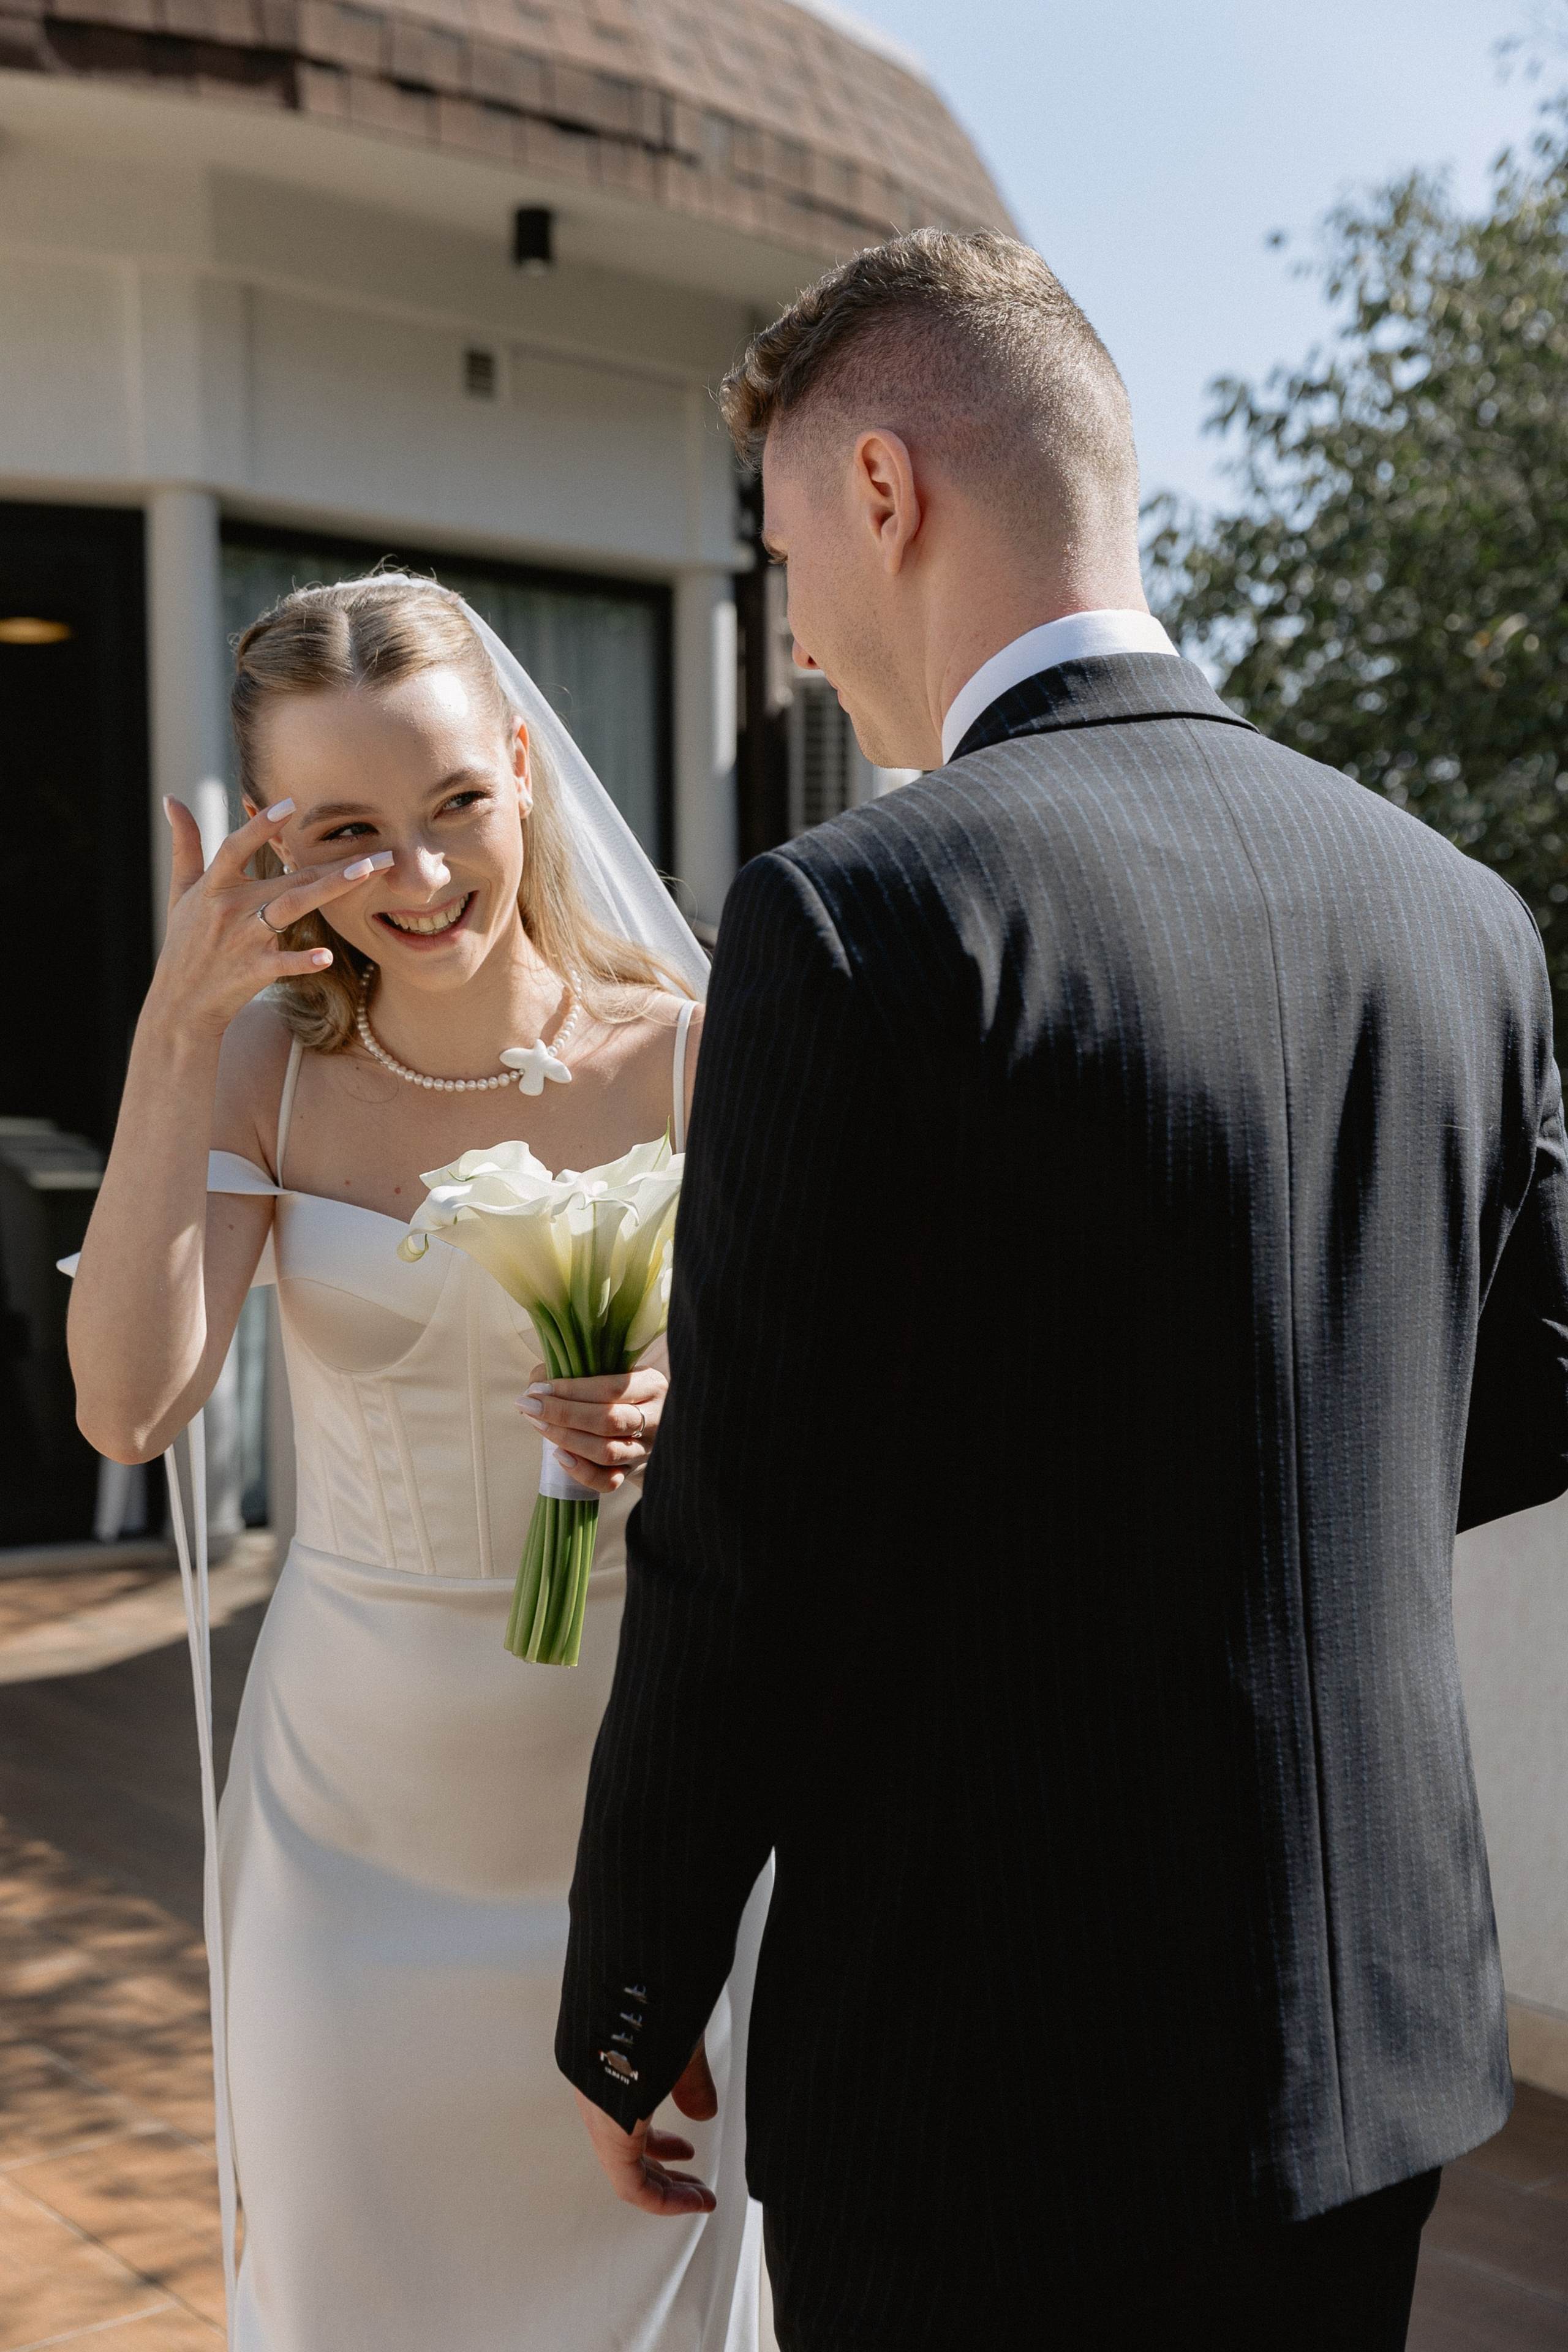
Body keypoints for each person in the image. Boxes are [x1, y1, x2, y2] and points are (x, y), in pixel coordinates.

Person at [557, 230, 1568, 2350]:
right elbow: (1529, 1393)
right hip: (1377, 2046)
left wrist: (635, 1976)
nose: (799, 633)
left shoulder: (854, 920)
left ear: (887, 494)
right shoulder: (1461, 918)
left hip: (991, 2078)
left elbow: (746, 1542)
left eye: (782, 553)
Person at [67, 576, 769, 2351]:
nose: (424, 874)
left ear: (525, 769)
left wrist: (683, 1410)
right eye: (347, 832)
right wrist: (172, 1030)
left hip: (637, 1801)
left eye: (456, 801)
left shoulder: (693, 1059)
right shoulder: (256, 1080)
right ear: (271, 849)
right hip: (347, 1832)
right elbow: (129, 1408)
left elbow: (825, 1421)